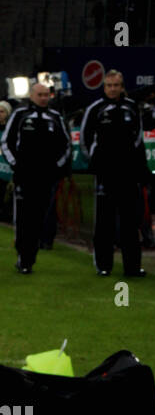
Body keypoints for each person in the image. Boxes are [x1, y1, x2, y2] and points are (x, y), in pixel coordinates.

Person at [79, 70, 147, 278]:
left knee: (130, 222)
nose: (112, 89)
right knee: (104, 222)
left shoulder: (132, 107)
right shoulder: (95, 109)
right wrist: (96, 159)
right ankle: (103, 265)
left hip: (127, 174)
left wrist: (132, 163)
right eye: (109, 85)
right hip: (105, 174)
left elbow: (138, 138)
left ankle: (132, 267)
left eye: (116, 85)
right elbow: (84, 139)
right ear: (104, 87)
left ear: (122, 86)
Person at [1, 80, 71, 273]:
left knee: (39, 217)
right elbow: (6, 141)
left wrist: (57, 167)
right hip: (25, 176)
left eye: (45, 95)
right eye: (39, 95)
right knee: (24, 218)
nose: (42, 98)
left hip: (47, 177)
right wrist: (16, 164)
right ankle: (24, 259)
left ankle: (30, 257)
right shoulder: (20, 115)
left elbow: (66, 145)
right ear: (32, 96)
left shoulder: (55, 117)